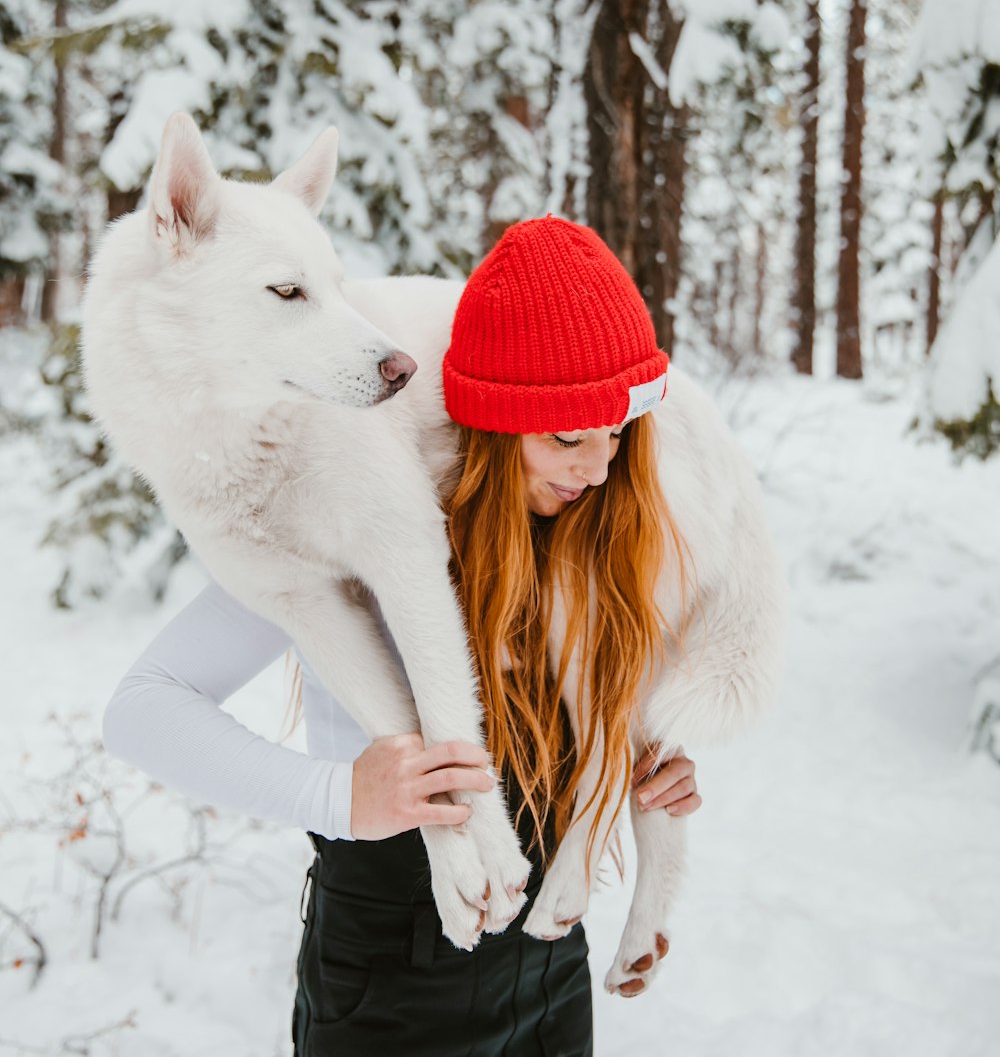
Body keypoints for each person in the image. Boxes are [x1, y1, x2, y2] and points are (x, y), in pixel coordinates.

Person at [102, 215, 703, 1057]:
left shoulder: (576, 524)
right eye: (567, 436)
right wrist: (340, 798)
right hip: (394, 977)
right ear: (499, 416)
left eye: (613, 438)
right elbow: (143, 709)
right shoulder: (349, 516)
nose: (594, 468)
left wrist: (648, 758)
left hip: (552, 966)